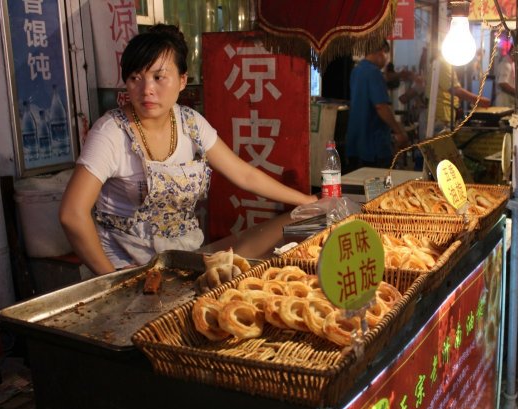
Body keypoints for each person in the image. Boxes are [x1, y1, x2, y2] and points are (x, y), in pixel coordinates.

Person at [59, 24, 317, 275]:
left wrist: (307, 202)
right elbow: (73, 214)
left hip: (183, 260)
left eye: (159, 77)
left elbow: (244, 175)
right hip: (125, 265)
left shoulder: (190, 123)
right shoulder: (111, 133)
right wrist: (111, 280)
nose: (146, 89)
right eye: (135, 77)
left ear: (183, 80)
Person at [346, 39, 409, 171]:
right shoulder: (374, 73)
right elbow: (381, 106)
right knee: (378, 188)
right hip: (372, 147)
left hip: (355, 144)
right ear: (381, 52)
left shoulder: (356, 71)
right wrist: (399, 131)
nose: (386, 59)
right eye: (387, 54)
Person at [432, 60, 491, 131]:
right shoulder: (444, 64)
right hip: (440, 118)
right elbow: (455, 89)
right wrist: (479, 100)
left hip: (446, 116)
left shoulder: (448, 65)